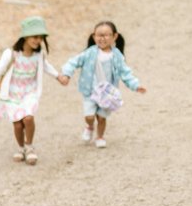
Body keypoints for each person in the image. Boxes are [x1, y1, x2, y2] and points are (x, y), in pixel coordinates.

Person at [0, 16, 67, 165]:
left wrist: (58, 76)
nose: (37, 40)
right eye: (34, 37)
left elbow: (46, 66)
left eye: (40, 38)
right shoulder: (12, 53)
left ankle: (29, 146)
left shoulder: (39, 55)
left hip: (29, 92)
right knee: (18, 124)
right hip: (12, 93)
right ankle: (20, 148)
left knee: (28, 118)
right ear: (25, 36)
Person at [60, 20, 147, 148]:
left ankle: (100, 136)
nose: (102, 38)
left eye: (106, 35)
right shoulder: (89, 53)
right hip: (90, 90)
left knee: (101, 117)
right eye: (99, 35)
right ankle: (89, 126)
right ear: (94, 36)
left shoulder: (117, 56)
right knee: (89, 116)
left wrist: (135, 85)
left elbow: (125, 72)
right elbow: (73, 62)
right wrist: (66, 74)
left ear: (115, 36)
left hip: (107, 93)